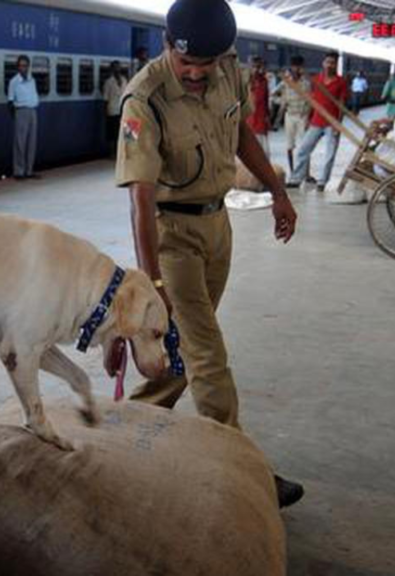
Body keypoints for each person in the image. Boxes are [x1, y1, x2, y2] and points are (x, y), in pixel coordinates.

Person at [115, 0, 303, 508]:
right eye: (187, 64)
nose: (197, 74)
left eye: (208, 64)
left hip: (217, 226)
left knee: (182, 349)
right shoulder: (145, 98)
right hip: (171, 235)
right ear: (167, 46)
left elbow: (240, 131)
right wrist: (152, 287)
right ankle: (245, 473)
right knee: (207, 352)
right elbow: (140, 199)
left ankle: (124, 434)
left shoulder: (229, 74)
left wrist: (276, 191)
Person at [286, 51, 348, 192]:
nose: (329, 65)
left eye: (332, 63)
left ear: (336, 64)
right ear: (323, 63)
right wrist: (309, 118)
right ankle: (296, 179)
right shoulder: (316, 80)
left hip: (332, 123)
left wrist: (338, 124)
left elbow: (342, 104)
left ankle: (322, 181)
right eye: (327, 62)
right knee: (303, 150)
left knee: (330, 153)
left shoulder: (341, 82)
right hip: (316, 121)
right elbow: (313, 101)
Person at [276, 55, 312, 173]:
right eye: (295, 66)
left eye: (299, 67)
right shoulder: (286, 82)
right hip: (290, 116)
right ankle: (293, 172)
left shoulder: (307, 83)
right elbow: (273, 95)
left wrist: (309, 117)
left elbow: (312, 101)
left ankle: (306, 173)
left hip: (303, 116)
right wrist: (283, 101)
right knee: (289, 146)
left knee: (305, 146)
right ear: (291, 67)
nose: (297, 69)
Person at [7, 55, 39, 180]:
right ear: (17, 67)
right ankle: (19, 171)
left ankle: (29, 171)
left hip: (32, 111)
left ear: (28, 66)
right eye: (21, 65)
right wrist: (15, 116)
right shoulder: (14, 82)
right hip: (21, 111)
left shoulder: (32, 80)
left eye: (25, 65)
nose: (23, 68)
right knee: (20, 143)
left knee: (32, 142)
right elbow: (10, 101)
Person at [245, 56, 271, 156]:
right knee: (249, 153)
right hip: (248, 121)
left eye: (258, 67)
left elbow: (265, 100)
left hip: (261, 121)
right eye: (253, 67)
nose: (256, 69)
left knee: (264, 152)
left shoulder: (263, 82)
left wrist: (267, 117)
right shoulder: (244, 82)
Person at [103, 61, 127, 158]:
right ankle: (112, 153)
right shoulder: (108, 82)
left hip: (123, 109)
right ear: (112, 69)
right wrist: (105, 112)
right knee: (112, 134)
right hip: (112, 110)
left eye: (118, 67)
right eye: (115, 68)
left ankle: (125, 152)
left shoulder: (124, 80)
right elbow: (105, 99)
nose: (117, 69)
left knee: (126, 132)